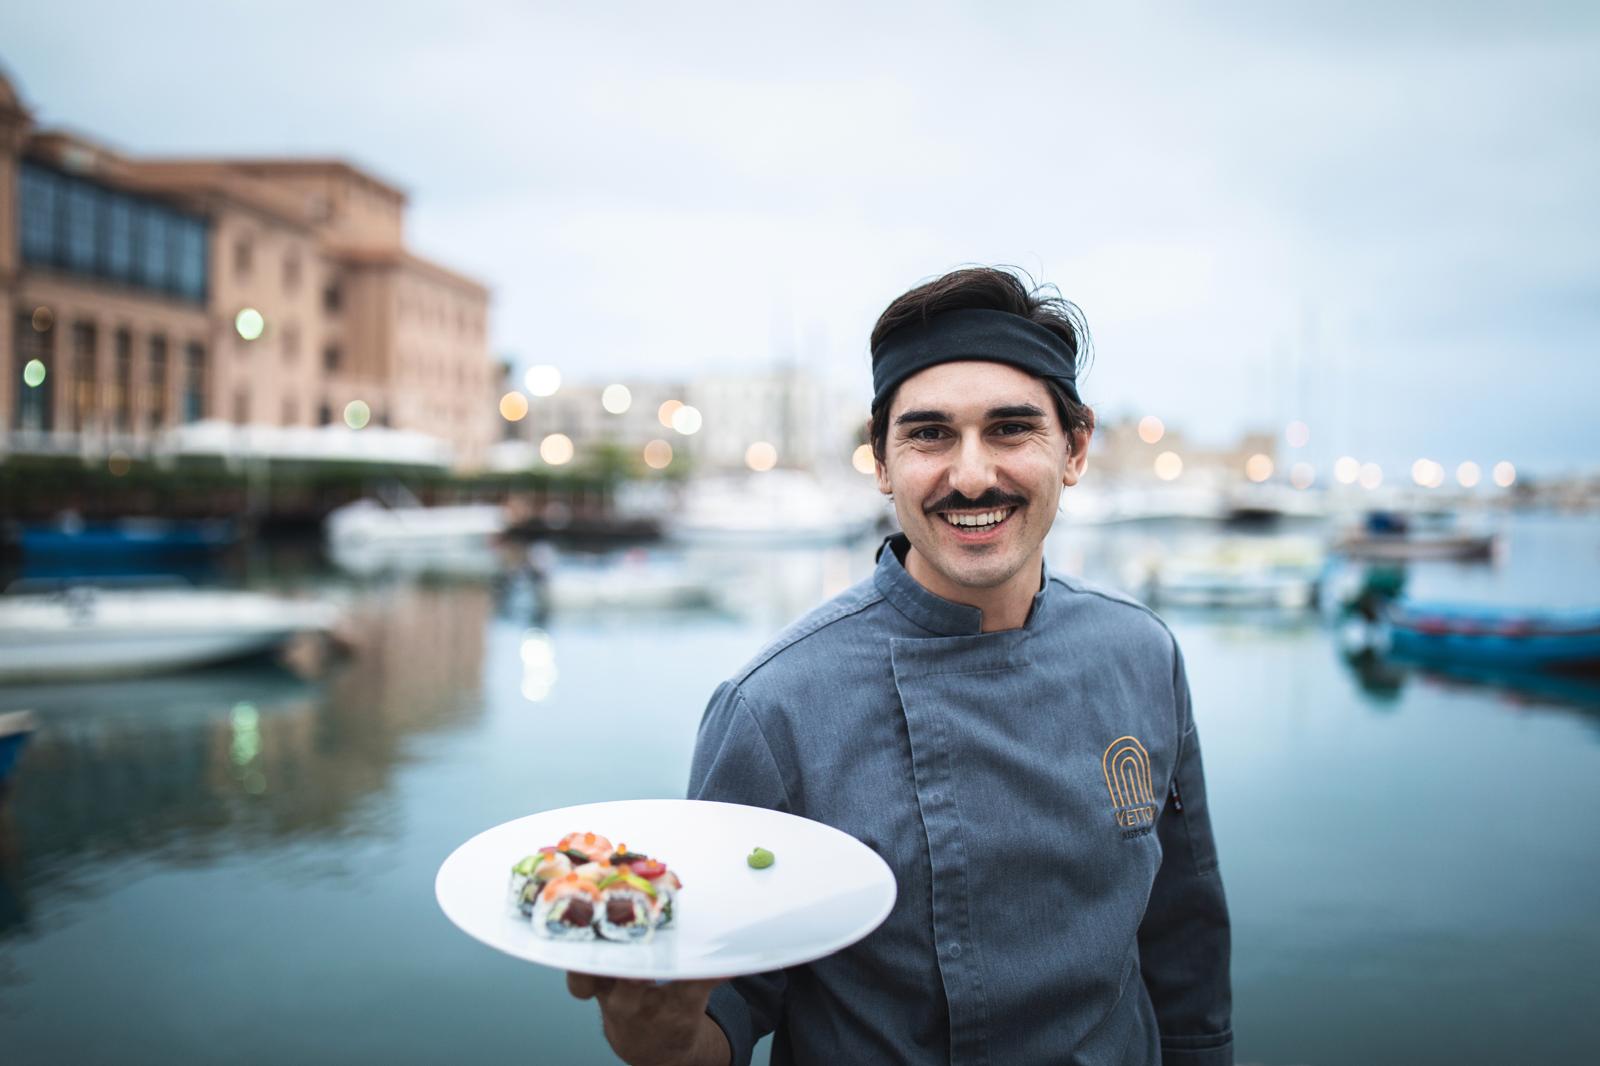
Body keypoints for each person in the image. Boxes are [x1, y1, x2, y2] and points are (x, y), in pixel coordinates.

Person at [569, 266, 1232, 1065]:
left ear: (1076, 448)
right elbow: (724, 1014)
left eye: (1012, 429)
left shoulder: (1141, 653)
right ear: (881, 463)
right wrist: (659, 1035)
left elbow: (1184, 946)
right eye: (929, 435)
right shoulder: (774, 707)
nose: (972, 474)